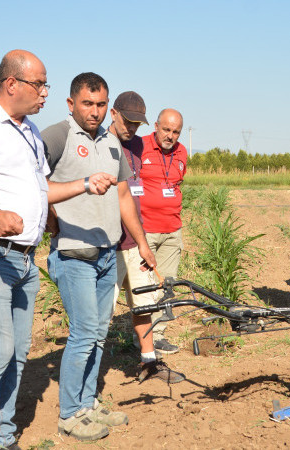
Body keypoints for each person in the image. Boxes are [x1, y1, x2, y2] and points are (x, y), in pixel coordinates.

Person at [0, 50, 117, 450]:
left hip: (23, 258)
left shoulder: (30, 132)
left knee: (18, 353)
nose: (45, 93)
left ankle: (2, 438)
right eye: (39, 84)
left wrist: (85, 185)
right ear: (11, 84)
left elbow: (43, 190)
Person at [40, 73, 157, 441]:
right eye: (87, 104)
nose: (94, 111)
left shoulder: (111, 144)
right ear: (71, 103)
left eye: (100, 104)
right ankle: (70, 414)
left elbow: (124, 198)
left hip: (107, 254)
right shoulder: (56, 136)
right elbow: (32, 185)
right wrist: (50, 221)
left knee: (97, 333)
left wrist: (141, 243)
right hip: (74, 255)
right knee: (84, 332)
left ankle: (88, 403)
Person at [109, 91, 185, 383]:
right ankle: (90, 374)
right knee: (103, 310)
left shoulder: (135, 146)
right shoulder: (108, 145)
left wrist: (140, 242)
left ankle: (150, 362)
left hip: (135, 241)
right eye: (128, 121)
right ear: (113, 114)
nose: (132, 129)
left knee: (146, 302)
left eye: (136, 124)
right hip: (114, 243)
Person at [137, 108, 188, 355]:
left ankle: (157, 336)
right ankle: (140, 336)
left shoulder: (182, 152)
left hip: (172, 230)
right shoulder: (141, 146)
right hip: (144, 231)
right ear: (156, 126)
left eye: (175, 131)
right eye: (166, 130)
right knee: (144, 288)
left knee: (166, 285)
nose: (170, 136)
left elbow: (177, 182)